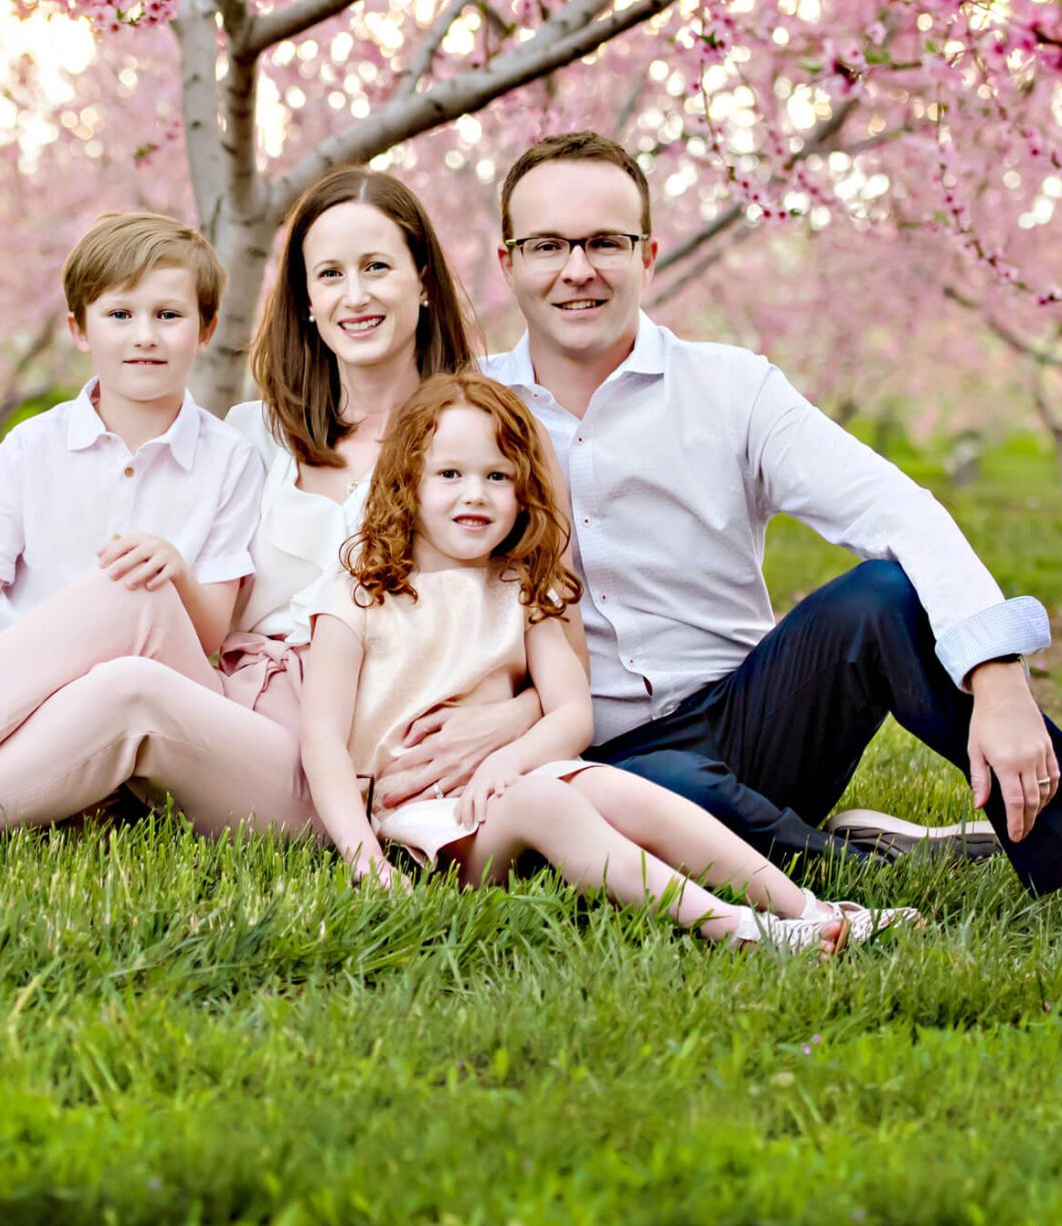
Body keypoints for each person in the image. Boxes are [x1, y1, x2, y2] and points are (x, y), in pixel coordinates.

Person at [416, 131, 1062, 921]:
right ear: (509, 263)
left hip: (755, 723)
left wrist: (999, 674)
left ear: (648, 255)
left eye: (605, 242)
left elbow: (898, 511)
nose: (578, 271)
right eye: (548, 246)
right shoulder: (464, 414)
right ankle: (855, 865)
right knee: (671, 785)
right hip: (588, 757)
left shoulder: (733, 390)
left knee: (884, 594)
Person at [0, 171, 490, 856]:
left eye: (378, 266)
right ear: (306, 300)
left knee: (138, 630)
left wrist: (510, 726)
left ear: (423, 277)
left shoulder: (482, 444)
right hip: (235, 699)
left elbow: (536, 617)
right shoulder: (261, 436)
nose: (356, 294)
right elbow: (207, 627)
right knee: (130, 610)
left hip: (344, 745)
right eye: (330, 274)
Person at [298, 373, 917, 954]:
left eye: (496, 477)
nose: (474, 495)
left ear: (523, 490)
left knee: (622, 789)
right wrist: (363, 859)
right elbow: (322, 738)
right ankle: (741, 929)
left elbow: (572, 716)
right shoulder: (360, 594)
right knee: (546, 800)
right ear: (407, 483)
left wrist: (511, 759)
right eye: (450, 473)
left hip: (508, 789)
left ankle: (810, 909)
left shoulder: (520, 589)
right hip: (424, 826)